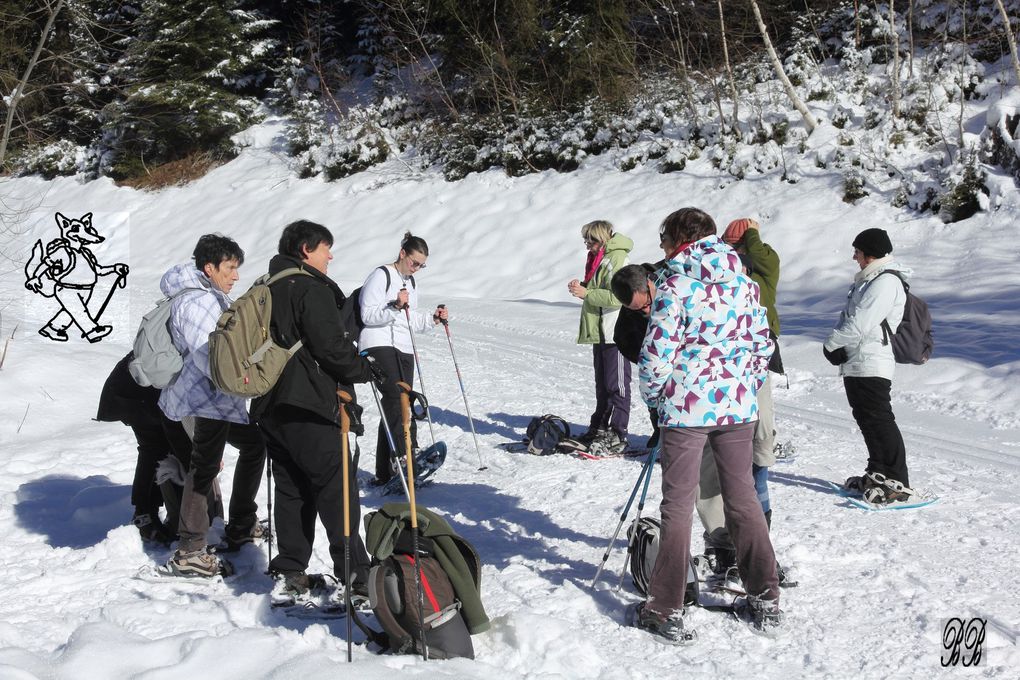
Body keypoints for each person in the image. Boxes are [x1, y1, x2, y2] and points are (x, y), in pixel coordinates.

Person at [633, 207, 779, 643]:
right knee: (743, 498)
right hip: (736, 409)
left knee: (677, 504)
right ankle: (765, 594)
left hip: (686, 409)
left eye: (663, 239)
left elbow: (656, 354)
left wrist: (658, 400)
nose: (661, 248)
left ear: (679, 239)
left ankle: (664, 607)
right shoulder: (744, 283)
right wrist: (744, 388)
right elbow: (761, 346)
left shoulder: (677, 284)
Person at [250, 220, 382, 600]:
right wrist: (363, 370)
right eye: (326, 248)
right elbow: (331, 349)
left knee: (291, 488)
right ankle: (356, 574)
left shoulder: (266, 287)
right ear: (307, 250)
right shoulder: (309, 287)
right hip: (310, 403)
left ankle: (290, 569)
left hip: (270, 405)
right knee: (336, 488)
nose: (331, 256)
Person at [159, 234, 267, 578]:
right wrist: (243, 375)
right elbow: (209, 354)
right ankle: (190, 549)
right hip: (205, 398)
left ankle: (240, 523)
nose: (235, 276)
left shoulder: (208, 296)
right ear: (209, 268)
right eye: (230, 268)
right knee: (204, 466)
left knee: (252, 447)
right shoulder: (198, 302)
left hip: (219, 397)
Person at [824, 227, 913, 503]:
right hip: (859, 360)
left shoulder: (885, 282)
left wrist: (831, 344)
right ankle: (878, 473)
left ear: (871, 253)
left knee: (879, 419)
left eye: (858, 252)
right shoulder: (869, 280)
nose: (854, 256)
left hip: (872, 361)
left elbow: (861, 322)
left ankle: (897, 480)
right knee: (867, 420)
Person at [358, 231, 447, 485]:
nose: (417, 268)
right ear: (402, 253)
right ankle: (406, 455)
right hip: (378, 343)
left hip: (403, 346)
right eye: (414, 262)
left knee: (398, 402)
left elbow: (411, 318)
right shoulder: (381, 275)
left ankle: (384, 472)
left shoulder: (411, 282)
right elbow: (368, 315)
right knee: (399, 400)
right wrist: (394, 307)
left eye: (421, 265)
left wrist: (433, 319)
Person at [96, 351, 180, 544]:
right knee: (155, 448)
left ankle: (155, 514)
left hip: (139, 386)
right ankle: (144, 516)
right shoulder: (180, 325)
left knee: (163, 447)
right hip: (138, 391)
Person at [567, 220, 633, 456]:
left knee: (618, 385)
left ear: (603, 238)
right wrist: (583, 287)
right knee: (603, 385)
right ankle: (599, 428)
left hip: (615, 332)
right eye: (586, 241)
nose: (588, 246)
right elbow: (599, 290)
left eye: (591, 241)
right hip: (600, 330)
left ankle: (618, 433)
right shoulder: (599, 259)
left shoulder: (617, 259)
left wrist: (587, 293)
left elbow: (619, 297)